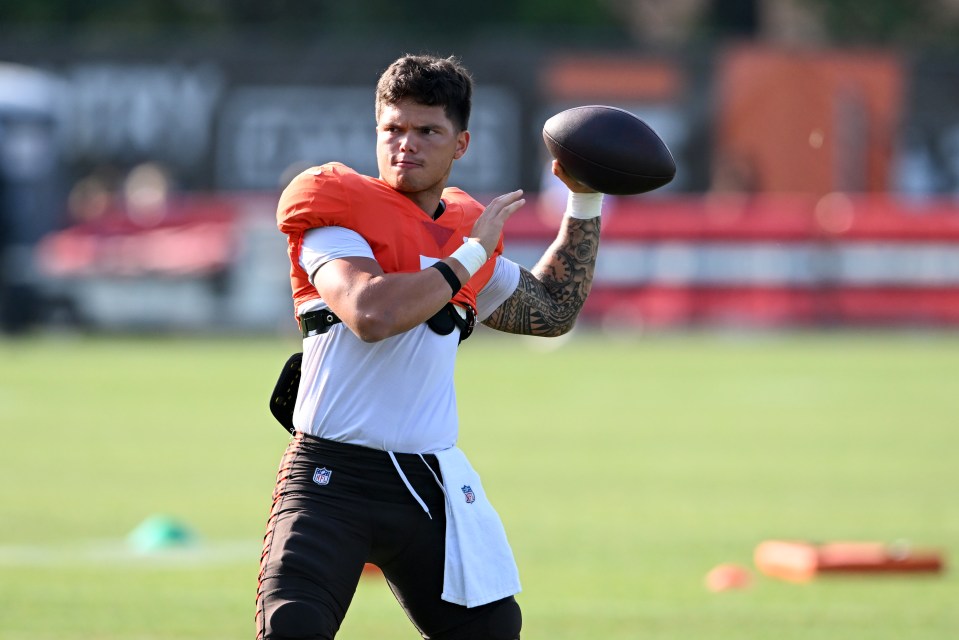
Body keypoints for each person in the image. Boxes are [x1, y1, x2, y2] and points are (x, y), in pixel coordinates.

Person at [256, 53, 604, 640]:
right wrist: (469, 256)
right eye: (392, 129)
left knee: (492, 631)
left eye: (427, 131)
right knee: (294, 629)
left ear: (460, 144)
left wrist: (585, 200)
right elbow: (372, 312)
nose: (405, 145)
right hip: (330, 474)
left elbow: (550, 311)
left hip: (424, 479)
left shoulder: (462, 227)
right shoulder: (335, 214)